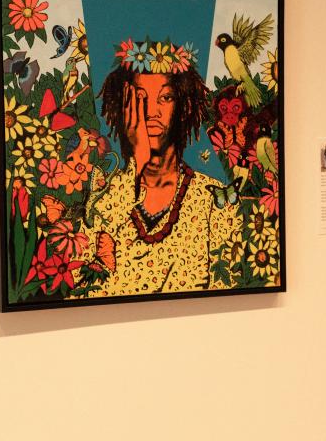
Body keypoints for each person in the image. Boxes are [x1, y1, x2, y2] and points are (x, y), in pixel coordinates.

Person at [76, 38, 243, 296]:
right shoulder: (104, 198)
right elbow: (84, 288)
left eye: (165, 98)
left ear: (184, 107)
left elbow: (231, 288)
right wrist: (138, 165)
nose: (151, 111)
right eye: (139, 98)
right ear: (124, 107)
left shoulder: (212, 200)